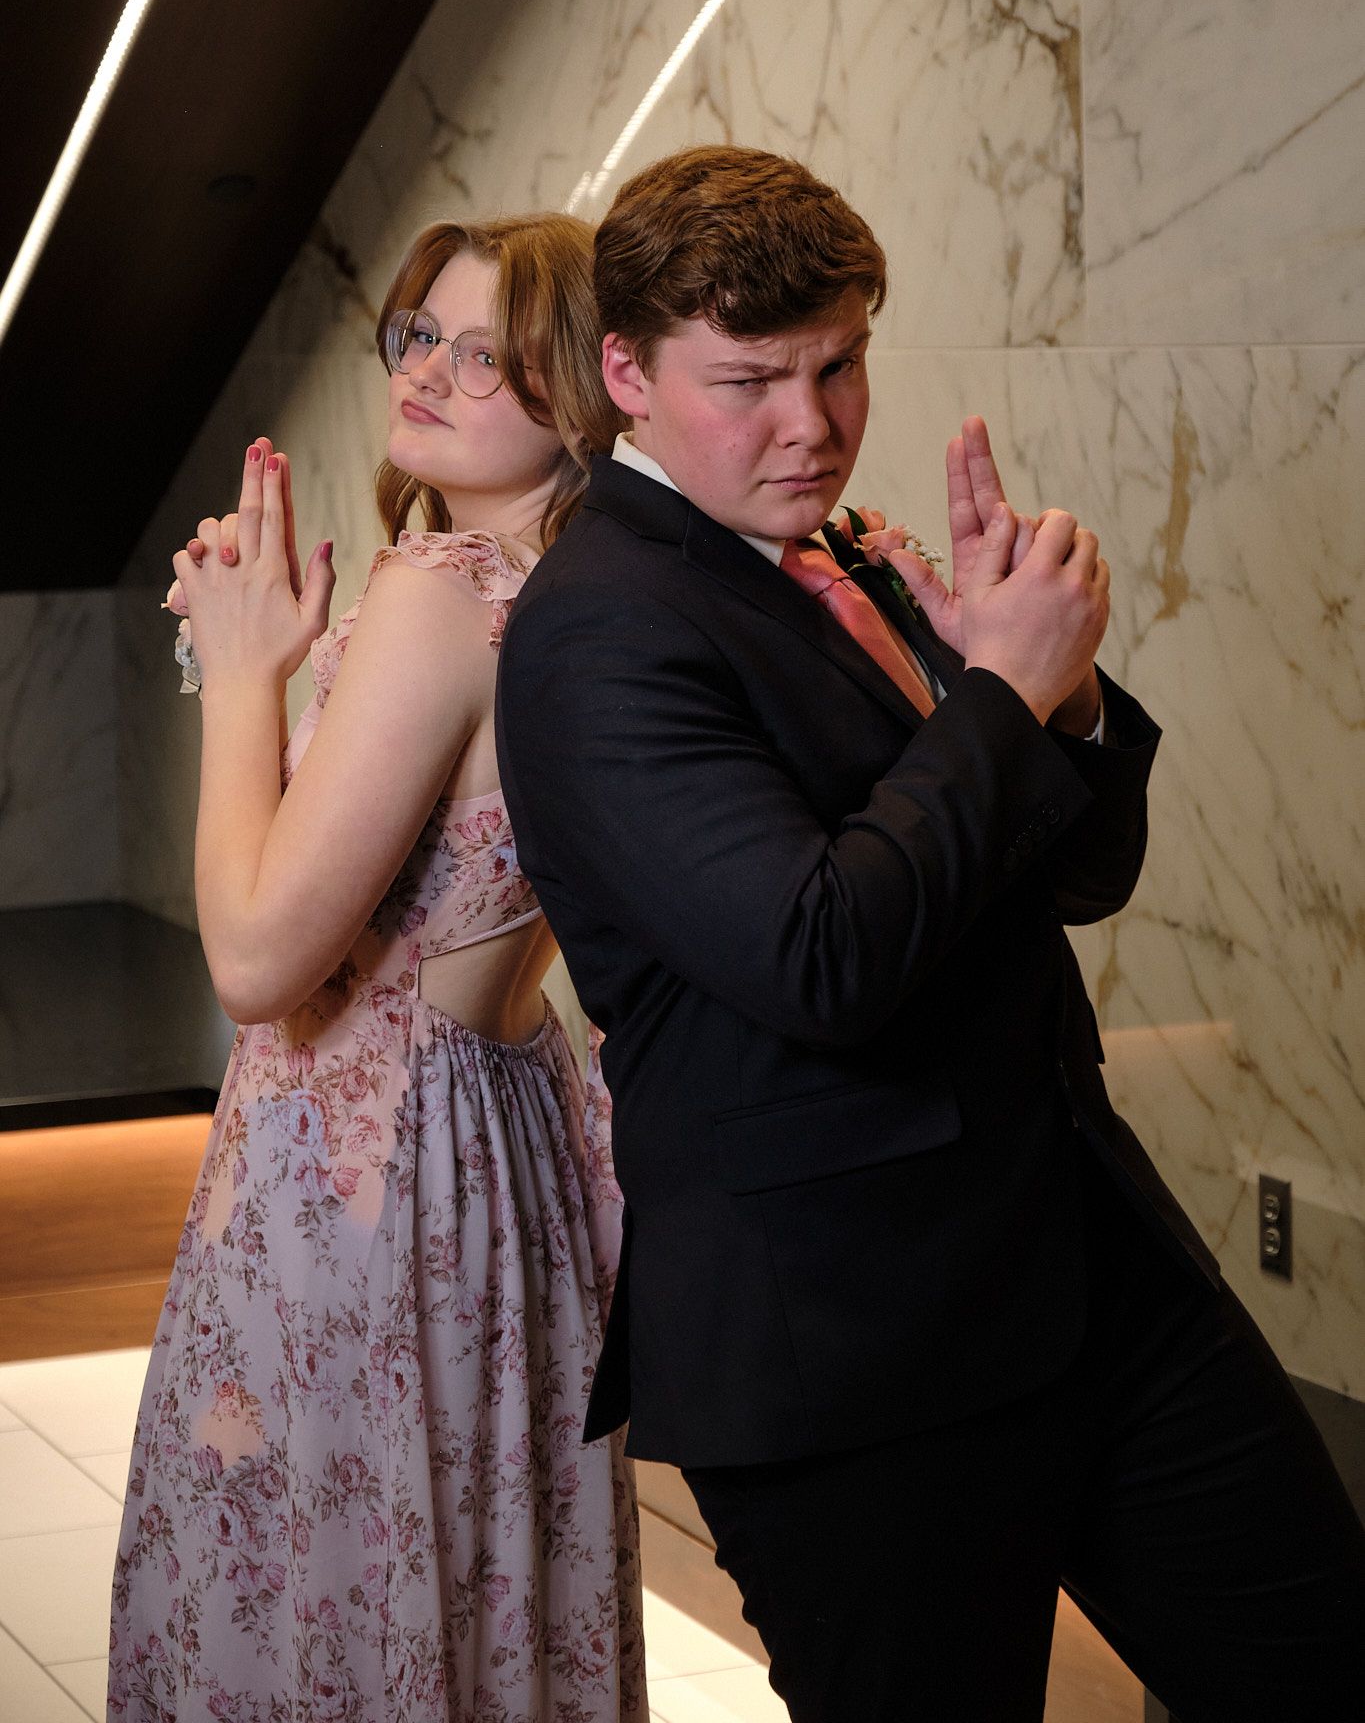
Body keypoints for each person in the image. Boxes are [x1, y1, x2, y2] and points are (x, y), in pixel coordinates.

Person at [493, 146, 1365, 1722]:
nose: (809, 425)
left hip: (1087, 1273)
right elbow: (816, 959)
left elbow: (1073, 875)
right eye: (747, 381)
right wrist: (992, 697)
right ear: (623, 373)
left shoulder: (830, 560)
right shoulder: (596, 627)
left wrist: (1061, 695)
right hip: (850, 1358)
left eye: (839, 366)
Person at [109, 215, 646, 1722]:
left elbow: (260, 959)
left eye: (494, 356)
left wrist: (237, 670)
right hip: (498, 1140)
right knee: (470, 1592)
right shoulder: (581, 590)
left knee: (327, 1603)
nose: (434, 372)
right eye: (423, 333)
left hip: (369, 1167)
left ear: (582, 397)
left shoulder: (442, 594)